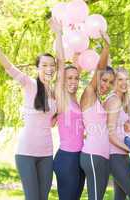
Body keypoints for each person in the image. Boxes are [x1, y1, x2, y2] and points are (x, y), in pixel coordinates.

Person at [0, 39, 56, 200]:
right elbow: (9, 67)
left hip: (47, 154)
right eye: (44, 65)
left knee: (43, 198)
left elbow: (53, 121)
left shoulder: (56, 94)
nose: (48, 68)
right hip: (26, 153)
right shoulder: (30, 84)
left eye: (52, 65)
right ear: (37, 68)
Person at [51, 18, 85, 200]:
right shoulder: (61, 96)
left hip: (80, 158)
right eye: (69, 78)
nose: (73, 81)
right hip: (67, 159)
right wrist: (59, 33)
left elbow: (77, 64)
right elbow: (61, 61)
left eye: (76, 78)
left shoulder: (77, 100)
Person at [79, 32, 115, 200]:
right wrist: (107, 47)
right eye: (104, 80)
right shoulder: (88, 93)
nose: (106, 85)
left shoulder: (99, 100)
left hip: (102, 155)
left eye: (110, 82)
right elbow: (100, 69)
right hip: (93, 155)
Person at [105, 67, 130, 200]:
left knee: (120, 196)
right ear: (114, 81)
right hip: (115, 155)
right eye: (120, 79)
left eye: (126, 79)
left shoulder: (121, 101)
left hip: (121, 154)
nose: (124, 83)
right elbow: (110, 134)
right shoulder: (114, 100)